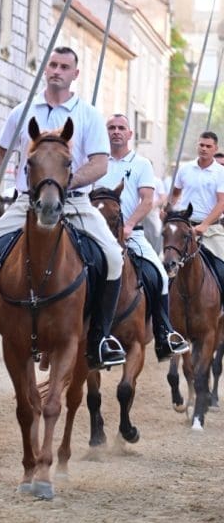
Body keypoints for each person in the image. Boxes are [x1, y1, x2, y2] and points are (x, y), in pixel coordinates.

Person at [0, 46, 125, 371]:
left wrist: (65, 182)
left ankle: (99, 339)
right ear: (46, 69)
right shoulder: (22, 111)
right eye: (53, 65)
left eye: (64, 67)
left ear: (75, 74)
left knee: (114, 258)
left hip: (74, 202)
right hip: (27, 202)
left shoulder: (88, 114)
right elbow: (0, 154)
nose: (57, 71)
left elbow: (100, 164)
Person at [94, 114, 188, 361]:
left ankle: (164, 333)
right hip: (95, 235)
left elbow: (147, 200)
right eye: (111, 127)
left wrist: (128, 225)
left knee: (161, 277)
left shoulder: (141, 163)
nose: (116, 131)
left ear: (130, 134)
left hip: (131, 234)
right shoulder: (95, 161)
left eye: (121, 128)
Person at [169, 131, 224, 264]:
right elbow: (175, 193)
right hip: (183, 228)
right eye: (201, 145)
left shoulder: (221, 172)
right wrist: (168, 209)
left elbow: (222, 203)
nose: (204, 148)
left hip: (211, 230)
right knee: (166, 263)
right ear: (197, 145)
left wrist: (204, 225)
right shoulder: (184, 169)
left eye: (208, 146)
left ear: (215, 148)